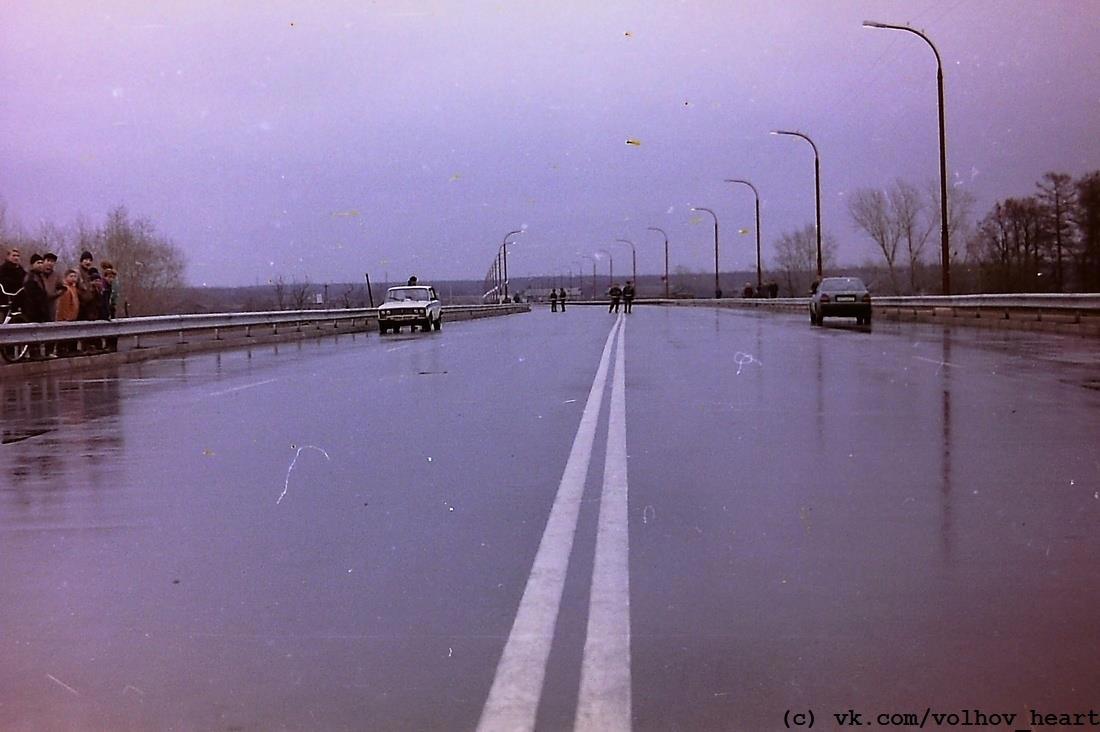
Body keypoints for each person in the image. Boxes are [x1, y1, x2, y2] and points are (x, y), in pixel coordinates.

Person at [21, 254, 50, 323]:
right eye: (38, 263)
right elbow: (32, 297)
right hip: (33, 312)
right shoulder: (30, 277)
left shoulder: (39, 277)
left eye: (42, 263)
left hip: (40, 312)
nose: (40, 265)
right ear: (32, 264)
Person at [76, 251, 103, 321]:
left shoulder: (90, 274)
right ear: (81, 261)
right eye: (86, 260)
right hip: (81, 308)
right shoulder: (77, 273)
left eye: (90, 260)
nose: (88, 262)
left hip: (90, 308)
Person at [42, 252, 64, 321]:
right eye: (48, 260)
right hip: (39, 304)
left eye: (52, 261)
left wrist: (55, 295)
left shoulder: (56, 275)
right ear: (43, 261)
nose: (50, 263)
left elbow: (62, 288)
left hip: (52, 305)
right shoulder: (38, 274)